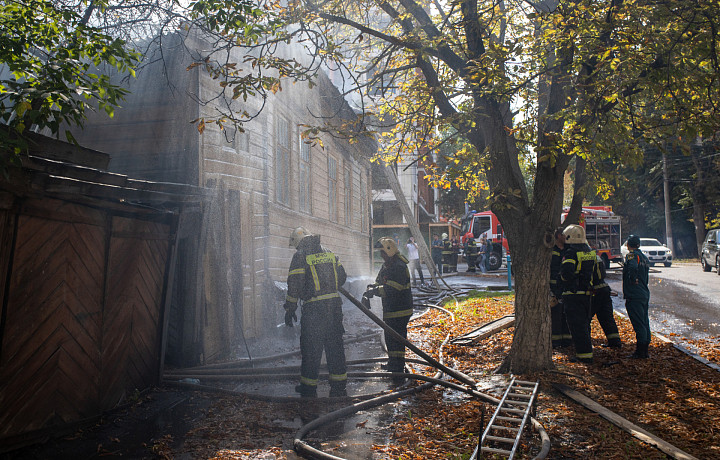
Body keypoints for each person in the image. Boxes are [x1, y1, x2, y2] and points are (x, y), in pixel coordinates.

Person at [284, 227, 348, 397]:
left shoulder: (300, 256)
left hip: (314, 310)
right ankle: (339, 385)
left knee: (312, 349)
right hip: (334, 308)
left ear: (299, 243)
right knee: (335, 346)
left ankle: (308, 387)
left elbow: (295, 284)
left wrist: (290, 309)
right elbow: (342, 276)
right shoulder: (328, 252)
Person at [365, 237, 414, 381]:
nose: (381, 256)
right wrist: (370, 289)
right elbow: (379, 282)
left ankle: (398, 367)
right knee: (390, 338)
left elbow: (392, 289)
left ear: (389, 251)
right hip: (391, 309)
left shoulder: (399, 266)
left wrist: (374, 291)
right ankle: (393, 363)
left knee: (397, 339)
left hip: (400, 310)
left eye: (383, 252)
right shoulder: (387, 265)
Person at [560, 224, 596, 364]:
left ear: (569, 237)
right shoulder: (589, 251)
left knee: (577, 326)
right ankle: (586, 353)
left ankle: (584, 356)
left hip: (573, 295)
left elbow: (567, 274)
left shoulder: (571, 253)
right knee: (585, 325)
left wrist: (561, 279)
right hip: (587, 295)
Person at [622, 234, 651, 359]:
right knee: (645, 322)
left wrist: (633, 279)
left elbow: (633, 268)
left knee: (639, 323)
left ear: (628, 244)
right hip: (644, 293)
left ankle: (640, 351)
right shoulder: (644, 257)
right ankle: (645, 350)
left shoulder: (632, 255)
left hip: (635, 294)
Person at [591, 255, 622, 348]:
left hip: (593, 292)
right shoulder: (596, 257)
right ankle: (615, 342)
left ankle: (585, 345)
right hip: (604, 289)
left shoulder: (578, 256)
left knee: (585, 319)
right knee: (607, 318)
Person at [549, 228, 572, 348]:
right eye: (564, 235)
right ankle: (556, 341)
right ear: (558, 236)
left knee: (567, 314)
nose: (567, 237)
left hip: (567, 287)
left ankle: (567, 340)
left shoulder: (569, 249)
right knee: (556, 315)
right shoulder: (552, 250)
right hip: (555, 288)